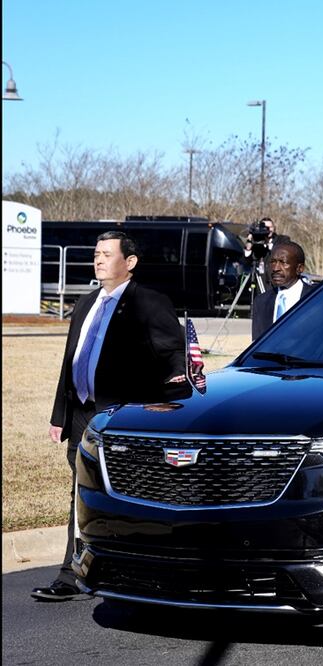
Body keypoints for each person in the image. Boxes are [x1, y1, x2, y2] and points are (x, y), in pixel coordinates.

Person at [34, 231, 187, 601]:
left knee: (132, 497)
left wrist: (173, 389)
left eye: (106, 254)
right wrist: (60, 415)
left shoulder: (148, 303)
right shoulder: (86, 303)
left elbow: (175, 354)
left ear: (129, 263)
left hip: (123, 419)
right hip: (83, 417)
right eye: (96, 254)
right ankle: (71, 574)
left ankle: (143, 571)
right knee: (81, 494)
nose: (98, 260)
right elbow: (71, 363)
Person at [251, 240, 312, 340]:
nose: (275, 268)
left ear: (299, 268)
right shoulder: (261, 302)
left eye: (283, 263)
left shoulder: (316, 298)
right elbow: (257, 345)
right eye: (273, 262)